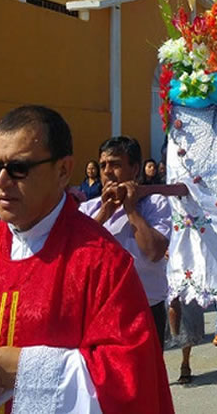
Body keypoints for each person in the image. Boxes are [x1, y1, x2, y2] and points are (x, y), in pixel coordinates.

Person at [0, 105, 174, 413]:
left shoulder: (103, 262)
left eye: (18, 169)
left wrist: (25, 369)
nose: (1, 182)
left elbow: (132, 378)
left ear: (62, 170)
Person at [79, 136, 172, 347]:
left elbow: (154, 252)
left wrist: (130, 208)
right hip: (100, 310)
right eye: (103, 165)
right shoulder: (88, 209)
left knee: (144, 377)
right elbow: (76, 254)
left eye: (116, 165)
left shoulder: (154, 204)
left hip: (145, 308)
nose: (107, 172)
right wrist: (104, 213)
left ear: (135, 169)